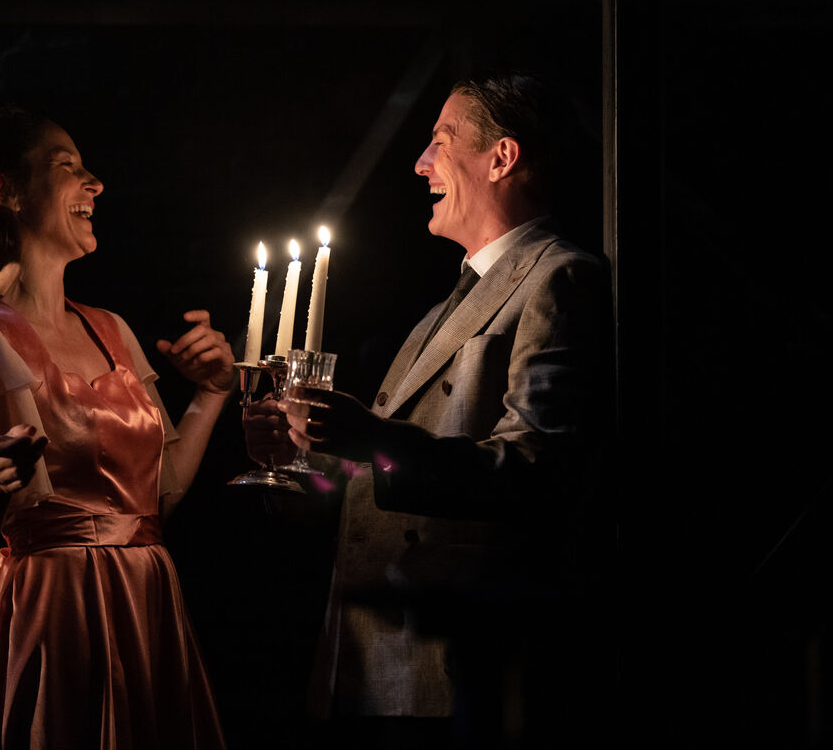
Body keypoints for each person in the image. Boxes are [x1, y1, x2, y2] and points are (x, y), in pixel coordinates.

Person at [245, 71, 613, 749]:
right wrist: (298, 458)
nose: (420, 164)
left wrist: (373, 438)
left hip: (459, 661)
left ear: (502, 158)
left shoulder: (560, 278)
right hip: (372, 651)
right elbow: (360, 486)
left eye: (440, 142)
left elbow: (534, 467)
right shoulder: (436, 313)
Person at [0, 104, 234, 750]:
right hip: (54, 619)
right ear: (7, 190)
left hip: (148, 605)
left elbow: (158, 497)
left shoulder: (111, 330)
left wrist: (213, 394)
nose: (94, 183)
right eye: (67, 167)